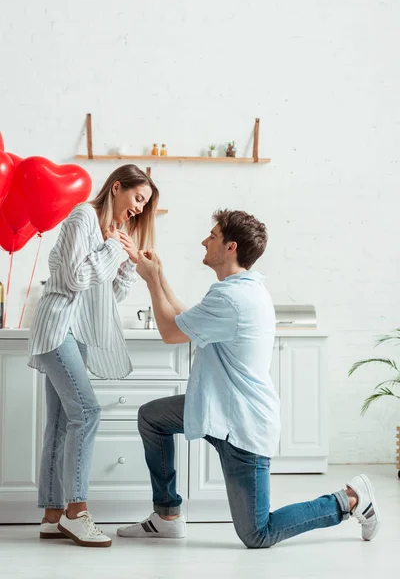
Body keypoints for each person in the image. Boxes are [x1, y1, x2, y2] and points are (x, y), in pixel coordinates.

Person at [117, 209, 380, 547]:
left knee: (258, 534)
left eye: (212, 236)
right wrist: (159, 275)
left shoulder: (232, 298)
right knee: (152, 417)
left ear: (230, 247)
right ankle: (167, 515)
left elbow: (169, 332)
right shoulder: (236, 290)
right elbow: (185, 319)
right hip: (215, 409)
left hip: (243, 424)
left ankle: (351, 499)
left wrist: (151, 279)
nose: (204, 241)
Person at [28, 164, 159, 548]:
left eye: (144, 203)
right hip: (57, 329)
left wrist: (127, 263)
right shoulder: (83, 217)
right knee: (87, 412)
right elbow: (73, 280)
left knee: (61, 421)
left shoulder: (107, 233)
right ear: (116, 188)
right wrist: (110, 248)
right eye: (137, 197)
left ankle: (52, 516)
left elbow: (106, 298)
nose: (138, 208)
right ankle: (77, 512)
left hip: (76, 332)